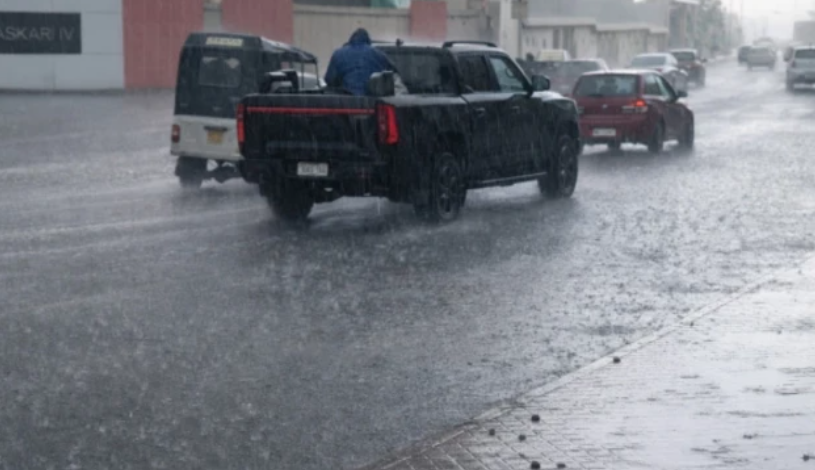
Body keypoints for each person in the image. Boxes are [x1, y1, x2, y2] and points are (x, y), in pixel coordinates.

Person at [324, 28, 396, 96]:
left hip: (345, 99)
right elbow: (393, 75)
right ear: (368, 41)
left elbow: (329, 79)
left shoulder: (338, 54)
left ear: (351, 40)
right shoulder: (379, 54)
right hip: (370, 100)